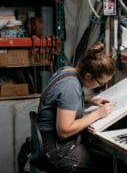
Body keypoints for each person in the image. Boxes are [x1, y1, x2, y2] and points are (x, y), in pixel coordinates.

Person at [36, 41, 116, 173]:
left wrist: (89, 103)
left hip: (48, 139)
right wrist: (97, 114)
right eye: (101, 84)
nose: (100, 87)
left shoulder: (68, 71)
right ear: (88, 76)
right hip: (56, 148)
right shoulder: (71, 86)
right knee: (110, 164)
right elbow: (64, 131)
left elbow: (62, 105)